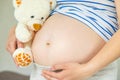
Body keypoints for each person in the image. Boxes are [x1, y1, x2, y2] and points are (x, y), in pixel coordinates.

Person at [6, 0, 120, 80]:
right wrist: (17, 28)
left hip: (89, 72)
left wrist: (87, 69)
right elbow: (41, 9)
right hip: (42, 73)